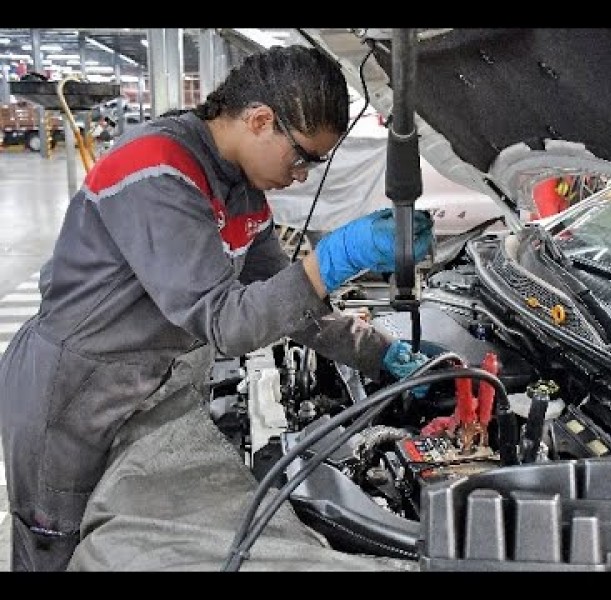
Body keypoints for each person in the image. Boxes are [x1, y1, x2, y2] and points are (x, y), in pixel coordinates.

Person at [0, 45, 433, 571]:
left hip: (149, 390)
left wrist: (380, 352)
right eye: (302, 158)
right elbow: (226, 320)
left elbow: (285, 297)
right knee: (58, 545)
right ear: (259, 120)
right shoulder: (156, 170)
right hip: (72, 398)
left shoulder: (242, 190)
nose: (301, 177)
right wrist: (333, 258)